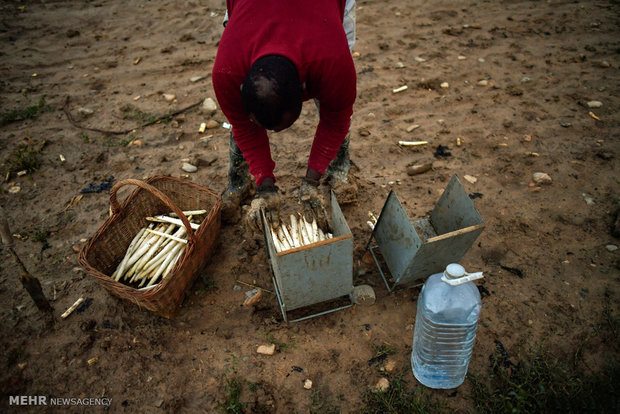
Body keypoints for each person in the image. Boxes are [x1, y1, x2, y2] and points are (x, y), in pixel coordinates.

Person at [212, 0, 357, 231]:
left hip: (320, 15)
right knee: (241, 124)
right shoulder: (227, 72)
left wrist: (311, 180)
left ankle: (337, 167)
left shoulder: (333, 61)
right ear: (241, 87)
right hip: (252, 11)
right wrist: (264, 183)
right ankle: (239, 181)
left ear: (305, 88)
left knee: (334, 98)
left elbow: (337, 118)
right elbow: (241, 124)